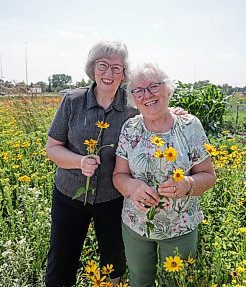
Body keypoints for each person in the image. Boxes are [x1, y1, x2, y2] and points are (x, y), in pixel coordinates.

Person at [113, 62, 217, 287]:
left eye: (153, 86)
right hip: (136, 225)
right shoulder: (130, 129)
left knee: (176, 282)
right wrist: (132, 187)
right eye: (138, 90)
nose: (146, 95)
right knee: (140, 280)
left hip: (181, 225)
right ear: (133, 98)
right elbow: (119, 175)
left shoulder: (190, 126)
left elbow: (208, 175)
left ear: (168, 89)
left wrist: (188, 184)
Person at [45, 41, 134, 286]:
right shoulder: (73, 101)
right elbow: (52, 148)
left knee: (114, 261)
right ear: (92, 68)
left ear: (124, 73)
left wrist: (175, 113)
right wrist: (79, 161)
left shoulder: (132, 106)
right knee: (61, 260)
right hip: (69, 194)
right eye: (103, 65)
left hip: (113, 198)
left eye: (117, 68)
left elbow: (156, 108)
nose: (109, 73)